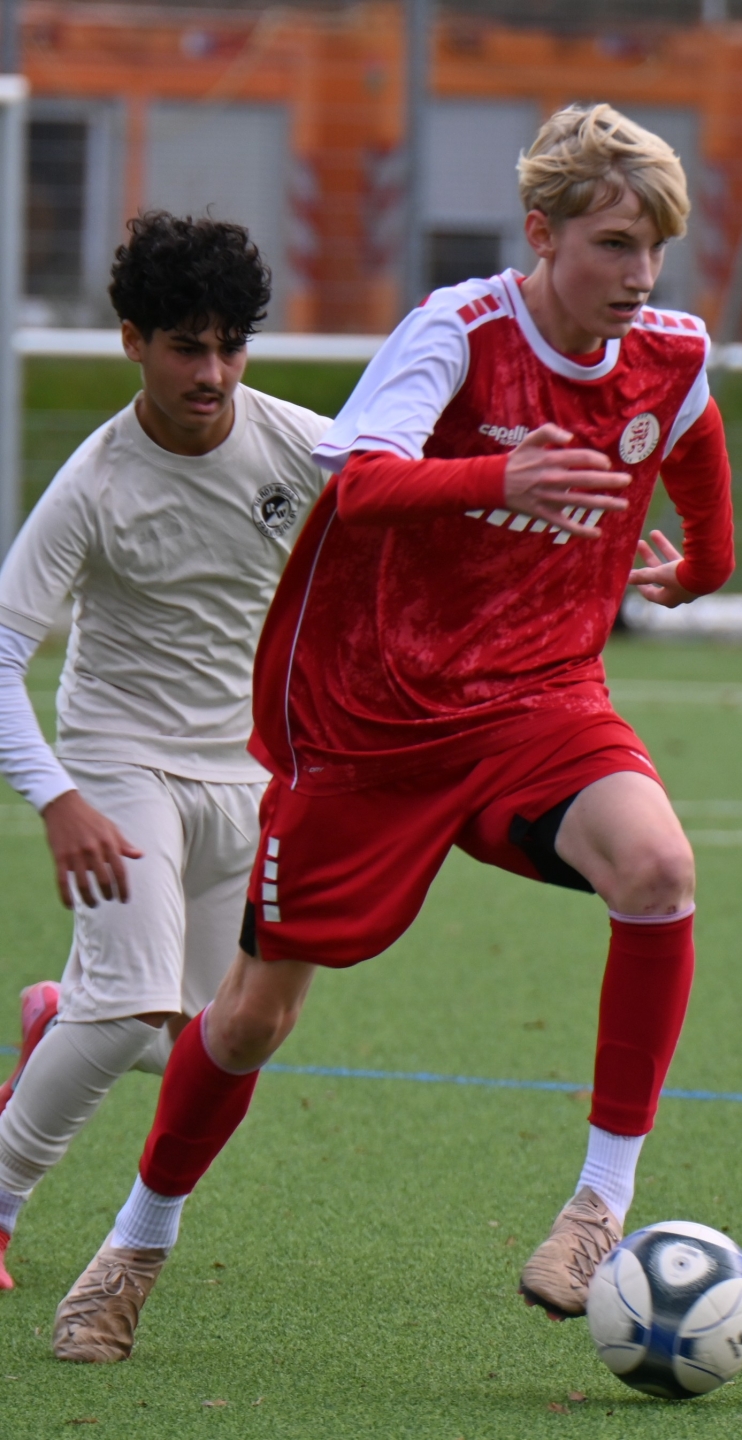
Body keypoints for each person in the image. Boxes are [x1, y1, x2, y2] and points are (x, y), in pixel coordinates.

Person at [50, 102, 735, 1363]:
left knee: (659, 868)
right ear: (542, 234)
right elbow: (360, 482)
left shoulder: (669, 350)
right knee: (251, 1017)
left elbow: (687, 433)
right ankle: (135, 1242)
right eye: (614, 244)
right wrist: (500, 476)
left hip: (539, 700)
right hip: (372, 721)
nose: (641, 275)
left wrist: (706, 563)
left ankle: (599, 1206)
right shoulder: (459, 332)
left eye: (656, 248)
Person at [0, 214, 329, 1292]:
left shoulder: (298, 445)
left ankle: (55, 1016)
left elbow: (421, 508)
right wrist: (57, 796)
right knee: (135, 1003)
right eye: (188, 347)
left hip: (249, 775)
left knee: (207, 1035)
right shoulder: (95, 482)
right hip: (119, 759)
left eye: (231, 347)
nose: (214, 374)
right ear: (133, 341)